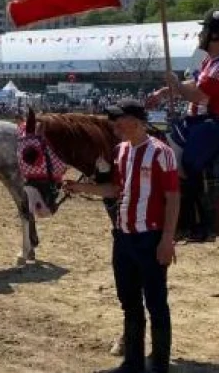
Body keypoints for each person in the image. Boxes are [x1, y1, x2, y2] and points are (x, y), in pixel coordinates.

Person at [63, 100, 180, 373]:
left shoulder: (161, 153)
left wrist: (167, 239)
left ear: (138, 122)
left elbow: (173, 197)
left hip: (150, 237)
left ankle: (160, 363)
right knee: (129, 302)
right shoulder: (120, 151)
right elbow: (116, 190)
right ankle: (133, 363)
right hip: (124, 237)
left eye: (120, 120)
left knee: (155, 302)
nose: (115, 125)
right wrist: (82, 188)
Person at [147, 8, 219, 243]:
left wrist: (176, 85)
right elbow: (194, 82)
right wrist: (163, 91)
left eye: (205, 29)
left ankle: (204, 222)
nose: (201, 34)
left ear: (215, 35)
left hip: (215, 124)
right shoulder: (210, 62)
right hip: (196, 123)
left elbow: (197, 94)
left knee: (190, 161)